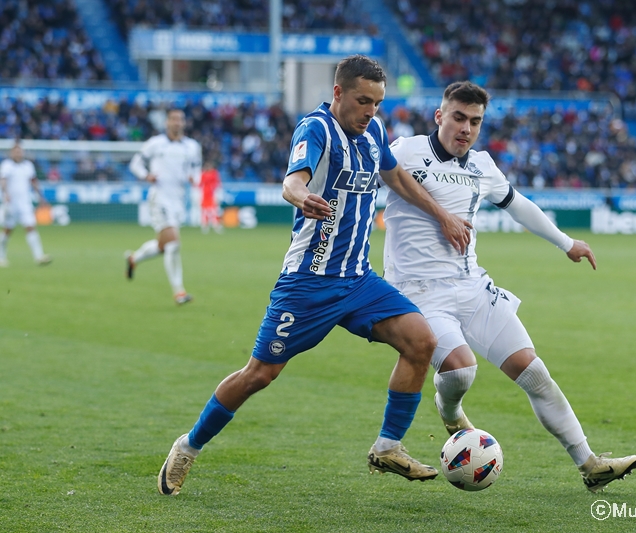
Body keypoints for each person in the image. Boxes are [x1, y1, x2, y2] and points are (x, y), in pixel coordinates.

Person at [156, 55, 473, 496]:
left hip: (359, 281)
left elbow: (396, 177)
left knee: (421, 341)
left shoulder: (374, 132)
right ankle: (188, 447)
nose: (370, 111)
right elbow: (293, 180)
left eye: (378, 103)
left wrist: (441, 215)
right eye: (363, 101)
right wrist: (302, 196)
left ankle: (388, 446)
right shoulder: (316, 128)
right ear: (339, 93)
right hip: (308, 283)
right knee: (259, 374)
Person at [383, 81, 636, 493]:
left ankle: (590, 464)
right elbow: (361, 180)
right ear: (439, 116)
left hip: (472, 287)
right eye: (458, 117)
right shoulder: (404, 151)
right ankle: (449, 410)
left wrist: (566, 243)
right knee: (462, 369)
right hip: (419, 292)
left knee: (534, 373)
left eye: (475, 122)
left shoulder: (482, 165)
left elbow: (518, 204)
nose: (466, 128)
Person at [126, 108, 201, 305]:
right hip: (159, 198)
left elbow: (196, 169)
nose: (177, 122)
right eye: (173, 119)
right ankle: (179, 292)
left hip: (178, 200)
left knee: (162, 246)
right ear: (167, 122)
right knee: (173, 244)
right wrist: (146, 176)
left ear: (184, 123)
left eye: (180, 119)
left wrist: (195, 178)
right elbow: (135, 164)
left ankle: (134, 258)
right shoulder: (155, 144)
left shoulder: (192, 147)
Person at [0, 143, 52, 267]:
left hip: (25, 203)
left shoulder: (28, 166)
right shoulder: (7, 165)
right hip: (11, 203)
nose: (18, 153)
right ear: (12, 153)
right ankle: (1, 256)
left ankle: (39, 256)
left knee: (30, 226)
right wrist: (6, 193)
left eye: (20, 151)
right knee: (8, 230)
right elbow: (3, 181)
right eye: (16, 151)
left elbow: (33, 181)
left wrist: (41, 197)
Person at [199, 160, 222, 234]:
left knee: (214, 211)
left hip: (212, 195)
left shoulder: (214, 173)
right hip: (204, 195)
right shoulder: (203, 174)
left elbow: (217, 183)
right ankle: (205, 226)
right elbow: (200, 184)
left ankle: (216, 225)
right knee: (204, 211)